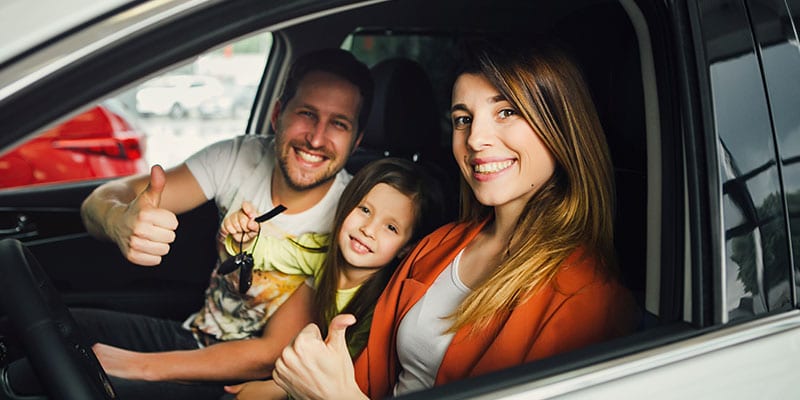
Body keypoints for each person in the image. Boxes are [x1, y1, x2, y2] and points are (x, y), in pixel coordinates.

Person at [270, 40, 639, 399]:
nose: (475, 139)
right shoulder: (439, 245)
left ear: (560, 125)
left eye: (507, 112)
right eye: (463, 119)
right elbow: (370, 376)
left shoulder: (588, 299)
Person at [68, 48, 373, 399]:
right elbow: (106, 197)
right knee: (51, 327)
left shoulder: (354, 216)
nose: (316, 139)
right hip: (195, 336)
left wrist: (141, 366)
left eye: (339, 124)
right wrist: (118, 218)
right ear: (277, 115)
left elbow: (271, 354)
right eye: (307, 113)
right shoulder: (238, 157)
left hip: (249, 384)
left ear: (357, 140)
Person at [222, 157, 446, 400]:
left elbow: (342, 380)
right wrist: (242, 236)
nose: (368, 230)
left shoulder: (385, 305)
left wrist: (276, 390)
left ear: (406, 247)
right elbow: (266, 251)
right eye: (365, 210)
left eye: (390, 227)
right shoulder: (320, 251)